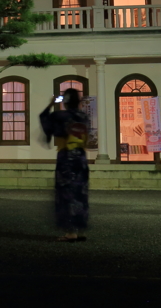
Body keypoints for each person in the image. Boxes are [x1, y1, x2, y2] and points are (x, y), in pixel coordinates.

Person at [39, 88, 90, 242]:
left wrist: (51, 104)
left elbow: (44, 119)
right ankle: (79, 229)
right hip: (81, 158)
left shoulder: (60, 115)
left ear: (65, 102)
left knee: (66, 193)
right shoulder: (83, 117)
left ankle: (70, 232)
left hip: (66, 157)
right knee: (80, 193)